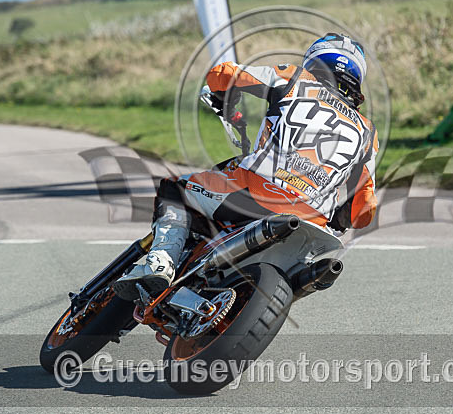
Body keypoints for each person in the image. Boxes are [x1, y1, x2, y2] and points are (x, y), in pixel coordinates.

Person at [114, 33, 378, 303]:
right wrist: (336, 217)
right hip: (313, 224)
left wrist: (224, 95)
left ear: (315, 60)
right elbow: (364, 209)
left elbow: (222, 74)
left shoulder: (292, 77)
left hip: (255, 194)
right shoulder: (368, 132)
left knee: (176, 188)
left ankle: (161, 262)